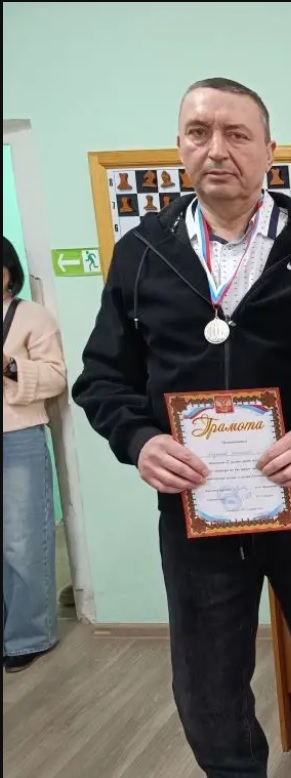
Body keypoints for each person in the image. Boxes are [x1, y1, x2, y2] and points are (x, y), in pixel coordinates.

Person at [71, 78, 291, 778]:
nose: (217, 149)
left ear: (268, 149)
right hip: (197, 509)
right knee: (207, 689)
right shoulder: (142, 252)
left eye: (237, 134)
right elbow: (101, 379)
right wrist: (140, 442)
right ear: (179, 146)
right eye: (199, 132)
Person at [3, 236, 68, 673]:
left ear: (9, 271)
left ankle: (28, 636)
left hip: (17, 436)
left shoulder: (30, 316)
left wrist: (9, 366)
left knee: (21, 540)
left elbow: (56, 377)